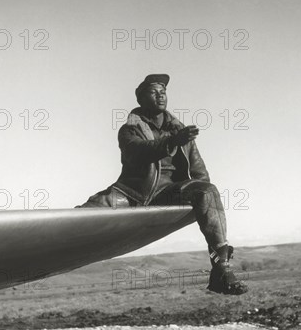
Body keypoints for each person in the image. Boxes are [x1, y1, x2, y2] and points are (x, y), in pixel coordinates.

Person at [77, 74, 248, 295]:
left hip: (170, 192)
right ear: (140, 99)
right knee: (86, 214)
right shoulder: (129, 130)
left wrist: (206, 198)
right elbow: (139, 151)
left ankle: (221, 271)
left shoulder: (180, 131)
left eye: (163, 92)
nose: (160, 96)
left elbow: (198, 170)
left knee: (208, 191)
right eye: (153, 92)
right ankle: (48, 244)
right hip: (133, 192)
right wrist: (171, 142)